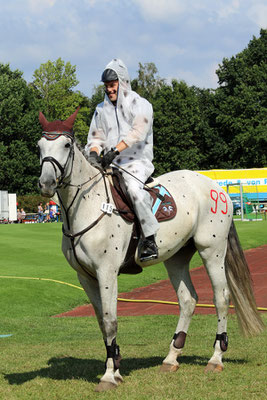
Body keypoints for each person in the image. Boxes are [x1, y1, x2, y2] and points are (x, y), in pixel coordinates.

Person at [85, 58, 159, 261]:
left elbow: (138, 133)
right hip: (110, 164)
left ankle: (150, 238)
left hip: (137, 162)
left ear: (123, 82)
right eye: (106, 86)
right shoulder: (101, 109)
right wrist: (93, 154)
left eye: (112, 85)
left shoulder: (141, 104)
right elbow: (95, 137)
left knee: (134, 191)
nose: (109, 90)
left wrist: (114, 151)